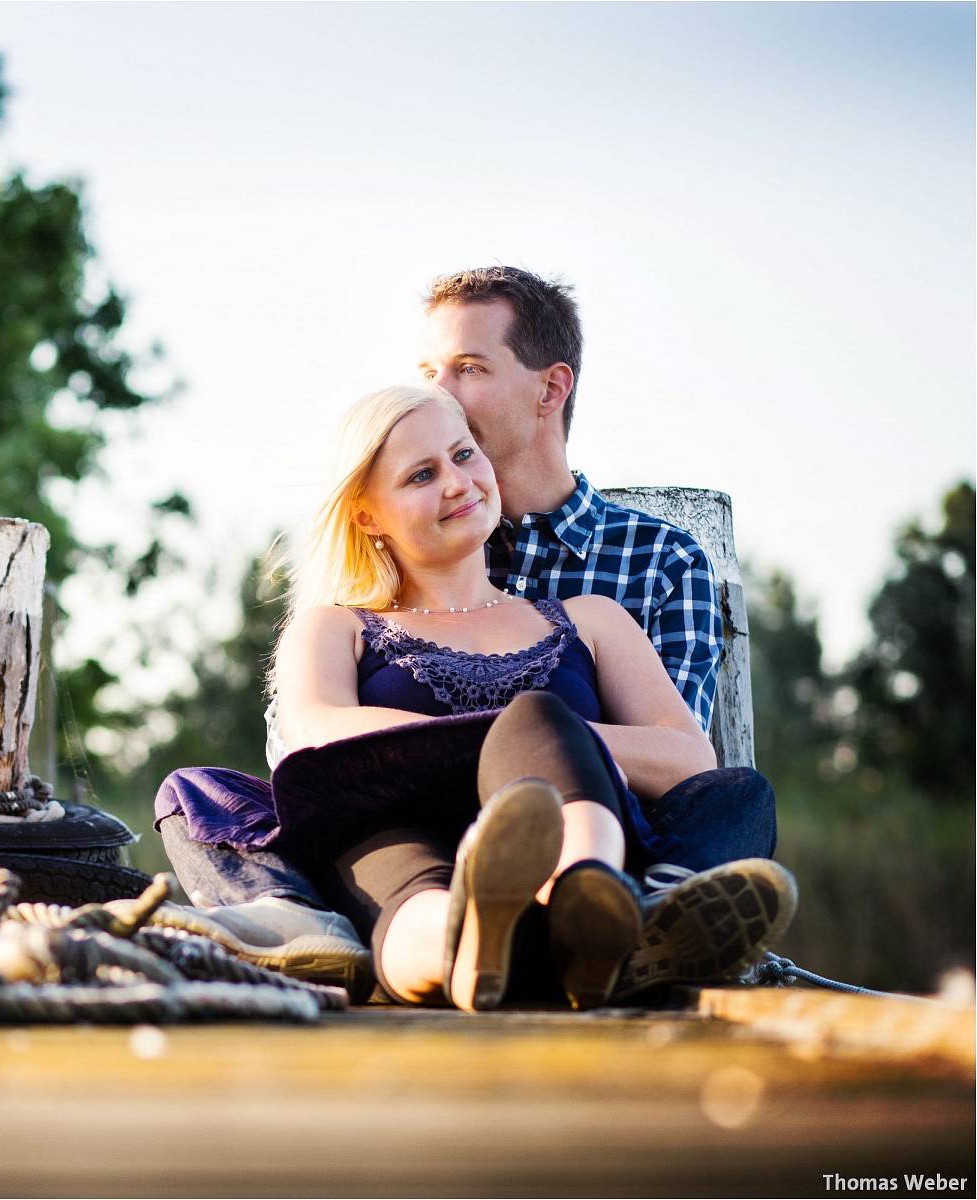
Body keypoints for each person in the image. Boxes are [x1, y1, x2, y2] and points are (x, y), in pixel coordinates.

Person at [155, 266, 785, 1000]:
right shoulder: (338, 624)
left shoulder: (590, 610)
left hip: (584, 834)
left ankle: (606, 909)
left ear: (548, 391)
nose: (455, 479)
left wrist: (538, 737)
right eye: (421, 474)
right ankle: (475, 940)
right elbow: (310, 740)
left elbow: (686, 758)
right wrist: (507, 736)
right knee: (235, 807)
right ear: (368, 515)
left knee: (738, 796)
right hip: (399, 836)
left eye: (461, 451)